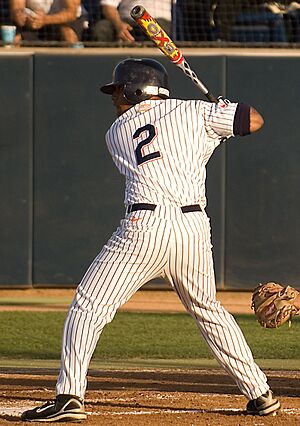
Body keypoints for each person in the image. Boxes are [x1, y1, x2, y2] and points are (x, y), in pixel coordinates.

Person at [21, 57, 281, 422]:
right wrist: (222, 110)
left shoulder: (116, 134)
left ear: (135, 89)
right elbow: (253, 120)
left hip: (145, 227)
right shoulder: (196, 112)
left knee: (89, 305)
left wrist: (212, 116)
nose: (114, 99)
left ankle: (69, 396)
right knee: (208, 310)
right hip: (193, 229)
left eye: (118, 91)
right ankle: (260, 392)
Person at [10, 0, 88, 45]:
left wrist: (45, 20)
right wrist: (21, 17)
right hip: (34, 20)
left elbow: (72, 13)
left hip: (65, 20)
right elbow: (17, 9)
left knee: (68, 35)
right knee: (15, 40)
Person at [92, 0, 171, 42]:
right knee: (102, 27)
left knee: (156, 28)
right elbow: (108, 6)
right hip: (127, 22)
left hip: (156, 22)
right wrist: (119, 25)